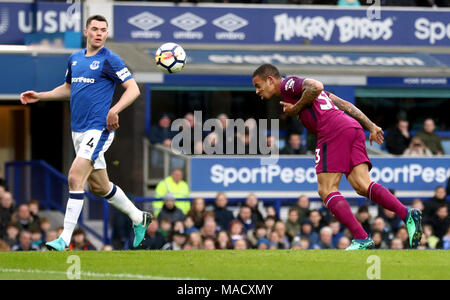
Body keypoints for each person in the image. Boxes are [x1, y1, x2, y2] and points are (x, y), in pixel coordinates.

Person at [252, 63, 422, 250]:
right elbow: (345, 104)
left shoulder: (287, 84)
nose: (257, 91)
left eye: (258, 86)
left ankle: (362, 238)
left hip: (332, 130)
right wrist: (370, 125)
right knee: (362, 185)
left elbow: (316, 86)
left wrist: (296, 109)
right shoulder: (295, 91)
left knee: (326, 189)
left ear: (270, 80)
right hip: (351, 127)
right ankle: (407, 214)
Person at [20, 15, 152, 251]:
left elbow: (133, 89)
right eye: (95, 29)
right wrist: (40, 95)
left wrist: (114, 109)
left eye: (103, 30)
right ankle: (138, 217)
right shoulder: (75, 58)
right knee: (100, 187)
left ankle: (64, 239)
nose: (99, 33)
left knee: (74, 176)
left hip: (99, 129)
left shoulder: (110, 59)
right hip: (78, 131)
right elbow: (68, 89)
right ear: (86, 32)